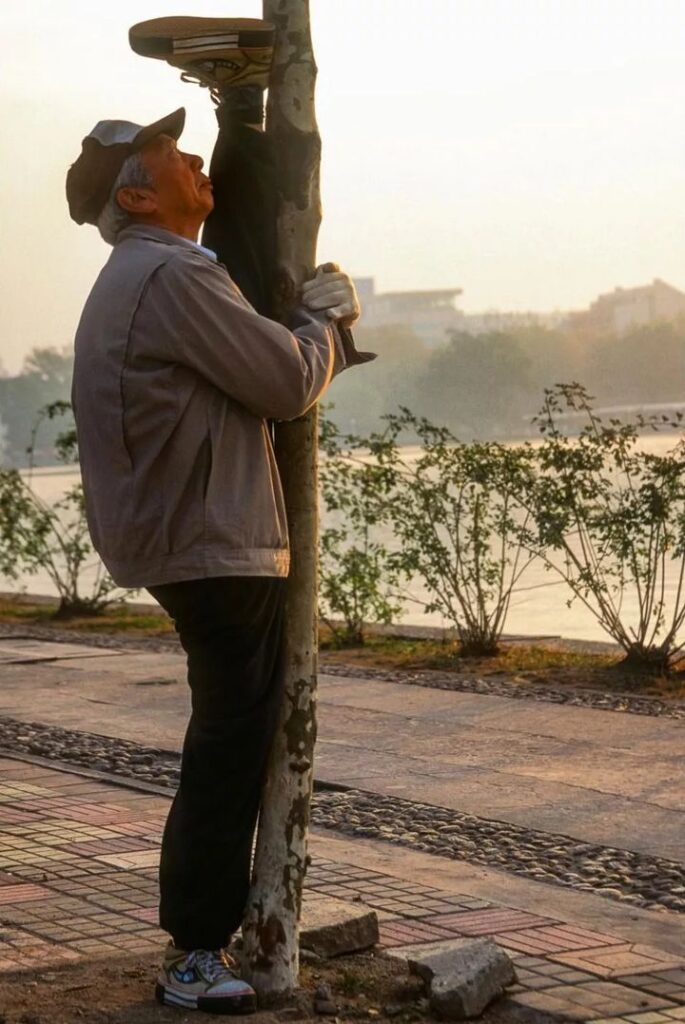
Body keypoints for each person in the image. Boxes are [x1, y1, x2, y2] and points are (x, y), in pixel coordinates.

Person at [66, 16, 373, 1015]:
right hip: (212, 543)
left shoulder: (152, 271)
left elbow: (239, 275)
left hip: (189, 536)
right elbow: (283, 381)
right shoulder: (168, 272)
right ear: (135, 196)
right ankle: (194, 951)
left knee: (231, 731)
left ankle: (237, 93)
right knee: (230, 744)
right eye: (174, 156)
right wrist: (327, 324)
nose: (191, 163)